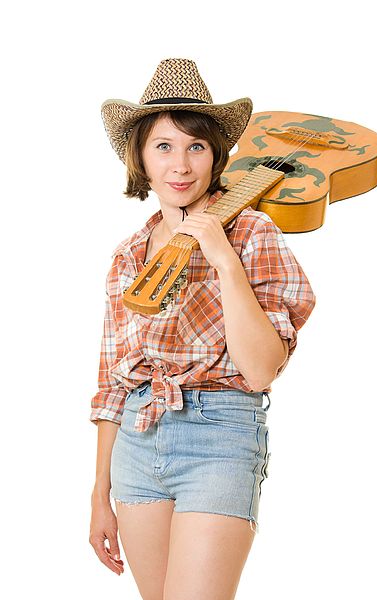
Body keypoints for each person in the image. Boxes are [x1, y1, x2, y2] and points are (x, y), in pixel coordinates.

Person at [89, 58, 315, 600]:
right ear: (140, 158)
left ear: (215, 156)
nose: (180, 164)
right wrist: (100, 494)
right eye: (163, 146)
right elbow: (112, 385)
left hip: (220, 435)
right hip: (138, 443)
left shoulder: (253, 231)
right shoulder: (127, 258)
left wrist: (223, 260)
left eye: (196, 146)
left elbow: (261, 368)